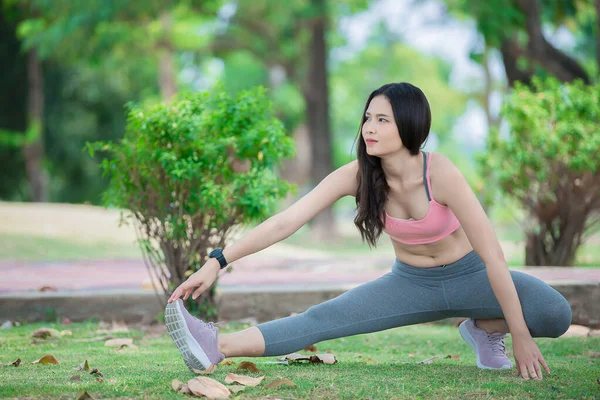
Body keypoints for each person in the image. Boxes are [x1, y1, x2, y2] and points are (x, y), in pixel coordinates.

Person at [165, 82, 572, 381]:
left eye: (382, 120)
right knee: (321, 319)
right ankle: (215, 344)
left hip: (472, 277)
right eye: (367, 118)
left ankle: (484, 329)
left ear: (409, 126)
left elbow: (494, 256)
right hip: (410, 283)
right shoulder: (358, 174)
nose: (369, 128)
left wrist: (519, 334)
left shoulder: (441, 172)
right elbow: (288, 220)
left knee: (555, 313)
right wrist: (218, 261)